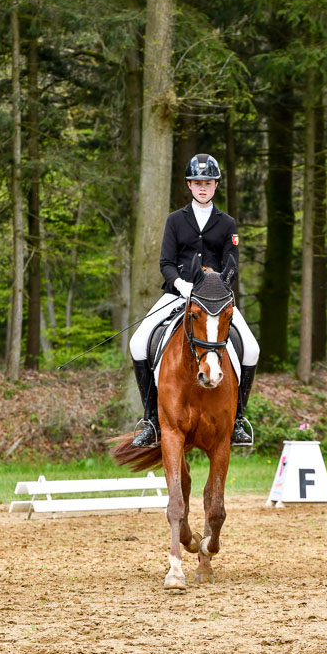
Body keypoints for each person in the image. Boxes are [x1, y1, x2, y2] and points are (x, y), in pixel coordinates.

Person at [129, 153, 259, 447]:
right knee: (138, 343)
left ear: (216, 186)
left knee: (251, 349)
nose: (203, 187)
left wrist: (214, 284)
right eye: (198, 182)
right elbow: (165, 261)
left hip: (215, 301)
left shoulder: (227, 223)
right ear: (189, 185)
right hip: (179, 293)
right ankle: (150, 420)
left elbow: (232, 265)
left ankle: (238, 420)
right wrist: (180, 283)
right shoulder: (176, 220)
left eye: (209, 183)